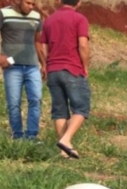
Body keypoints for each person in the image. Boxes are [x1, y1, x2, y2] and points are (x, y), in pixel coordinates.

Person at [39, 0, 90, 159]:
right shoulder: (79, 19)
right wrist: (85, 66)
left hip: (53, 70)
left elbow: (40, 46)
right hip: (72, 69)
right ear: (79, 2)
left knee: (59, 111)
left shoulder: (49, 19)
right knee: (81, 108)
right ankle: (66, 139)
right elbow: (83, 45)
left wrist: (46, 64)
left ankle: (64, 150)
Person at [0, 0, 44, 141]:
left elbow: (37, 41)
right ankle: (17, 136)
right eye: (28, 3)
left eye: (33, 4)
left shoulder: (36, 17)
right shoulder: (4, 13)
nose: (31, 7)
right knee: (14, 103)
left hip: (32, 66)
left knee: (36, 99)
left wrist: (44, 63)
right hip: (12, 67)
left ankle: (32, 135)